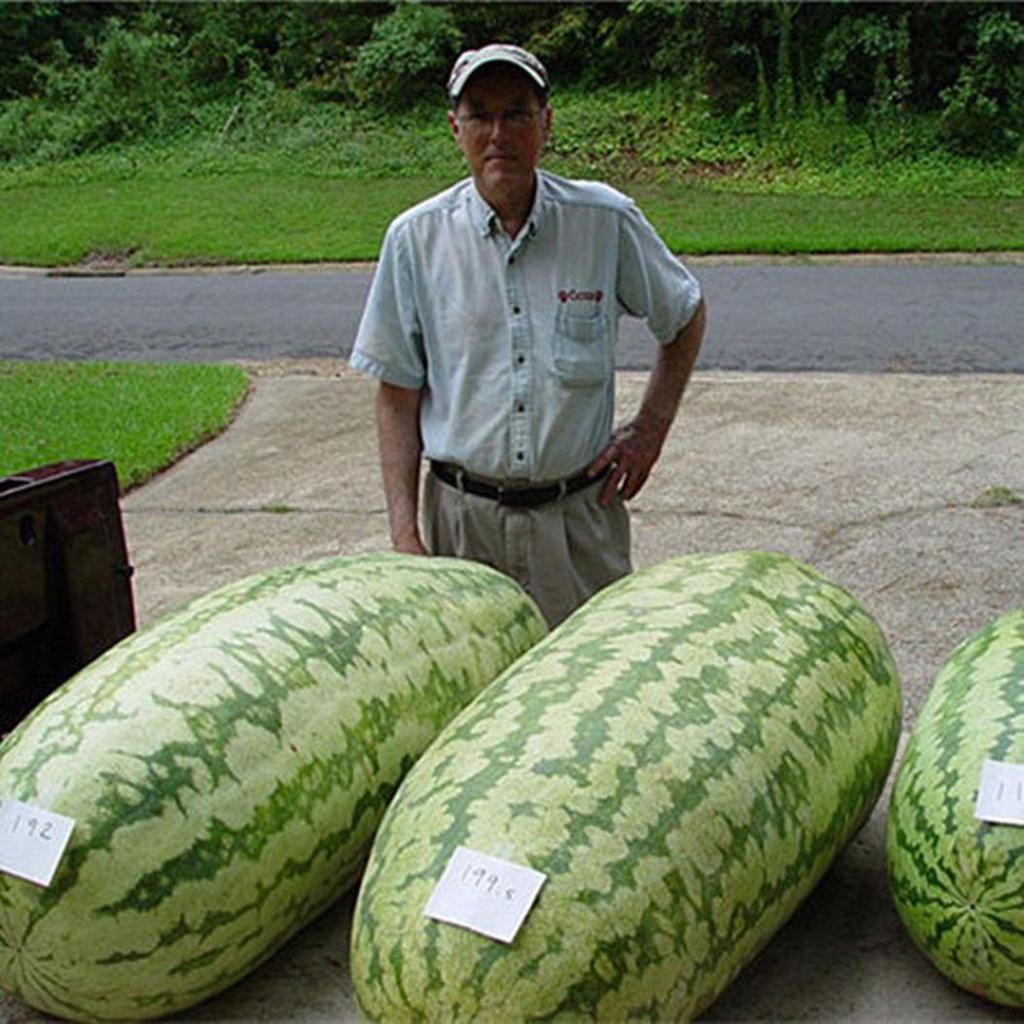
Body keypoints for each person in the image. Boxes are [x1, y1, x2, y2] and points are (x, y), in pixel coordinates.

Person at [349, 43, 706, 627]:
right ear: (455, 128)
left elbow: (684, 313)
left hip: (578, 527)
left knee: (593, 674)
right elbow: (396, 393)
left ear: (546, 123)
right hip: (462, 530)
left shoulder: (603, 222)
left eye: (517, 113)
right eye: (480, 115)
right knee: (472, 679)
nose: (499, 134)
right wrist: (405, 537)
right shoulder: (416, 240)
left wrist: (650, 429)